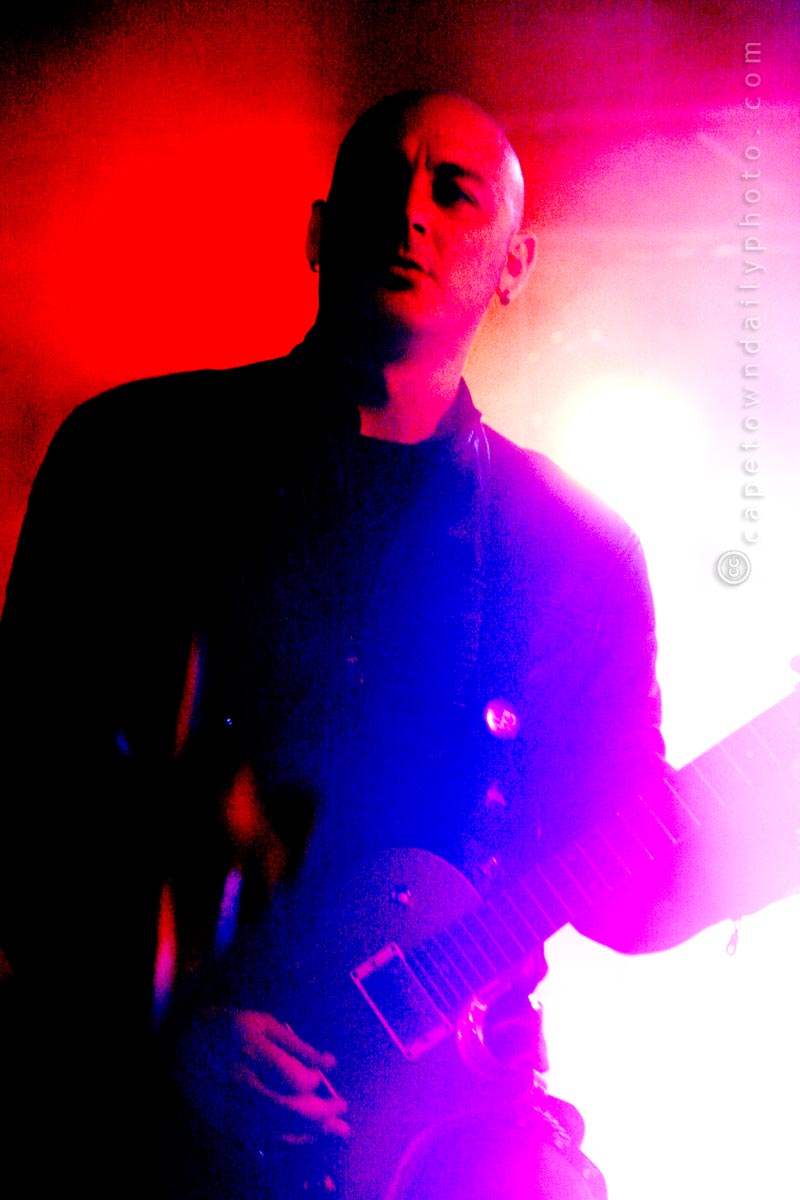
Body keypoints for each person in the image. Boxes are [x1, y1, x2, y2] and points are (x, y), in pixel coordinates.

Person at [0, 89, 795, 1200]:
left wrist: (769, 824)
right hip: (140, 1110)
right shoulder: (135, 459)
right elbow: (28, 785)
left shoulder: (575, 551)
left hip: (452, 1136)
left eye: (453, 192)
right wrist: (166, 1025)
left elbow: (620, 882)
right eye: (382, 183)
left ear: (514, 264)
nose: (411, 211)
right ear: (319, 232)